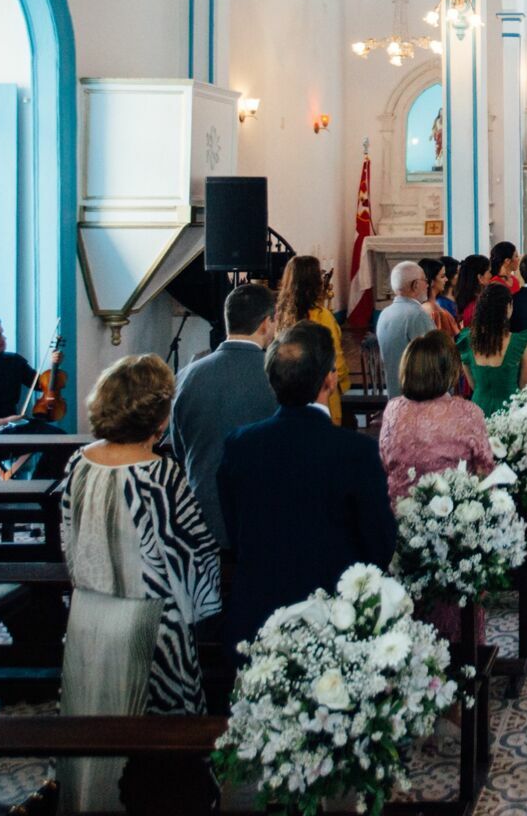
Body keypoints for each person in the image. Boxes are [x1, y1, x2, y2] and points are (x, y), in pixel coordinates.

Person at [59, 355, 221, 812]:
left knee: (95, 726)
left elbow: (67, 538)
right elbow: (195, 547)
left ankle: (90, 801)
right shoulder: (161, 474)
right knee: (163, 744)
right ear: (158, 414)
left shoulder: (78, 463)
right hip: (153, 626)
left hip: (90, 615)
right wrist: (202, 610)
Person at [216, 323, 396, 650]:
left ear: (272, 381)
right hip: (332, 617)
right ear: (330, 379)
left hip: (257, 617)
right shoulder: (355, 452)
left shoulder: (239, 445)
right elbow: (380, 544)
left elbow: (235, 530)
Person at [378, 331, 496, 650]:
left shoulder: (393, 411)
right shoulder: (466, 412)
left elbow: (386, 461)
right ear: (450, 370)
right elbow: (486, 470)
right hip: (454, 535)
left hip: (402, 530)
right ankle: (463, 661)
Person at [168, 283, 277, 552]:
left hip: (200, 518)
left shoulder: (188, 375)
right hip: (262, 518)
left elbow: (178, 447)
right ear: (266, 323)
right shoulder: (277, 376)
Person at [278, 255, 348, 423]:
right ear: (315, 282)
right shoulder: (322, 316)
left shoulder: (282, 315)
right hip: (320, 391)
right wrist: (343, 383)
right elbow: (334, 357)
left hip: (291, 390)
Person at [458, 283, 527, 414]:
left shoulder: (467, 340)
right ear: (508, 307)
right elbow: (524, 385)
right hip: (510, 411)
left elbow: (472, 383)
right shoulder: (520, 342)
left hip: (479, 409)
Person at [375, 260, 434, 400]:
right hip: (417, 399)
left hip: (394, 396)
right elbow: (432, 360)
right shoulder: (417, 315)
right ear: (415, 285)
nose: (427, 285)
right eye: (425, 280)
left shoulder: (385, 313)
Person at [418, 258, 460, 338]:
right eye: (442, 276)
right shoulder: (433, 310)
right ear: (432, 281)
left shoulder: (428, 306)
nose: (446, 279)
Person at [451, 253, 490, 328]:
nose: (491, 275)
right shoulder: (478, 307)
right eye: (489, 271)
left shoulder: (462, 301)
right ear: (480, 277)